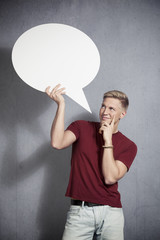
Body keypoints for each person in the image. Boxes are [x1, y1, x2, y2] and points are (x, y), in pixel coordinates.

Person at [45, 84, 137, 240]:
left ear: (122, 114)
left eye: (111, 109)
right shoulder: (81, 127)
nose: (105, 112)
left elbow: (109, 177)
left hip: (111, 214)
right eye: (103, 106)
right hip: (80, 212)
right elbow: (57, 142)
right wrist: (61, 105)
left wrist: (107, 139)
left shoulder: (129, 146)